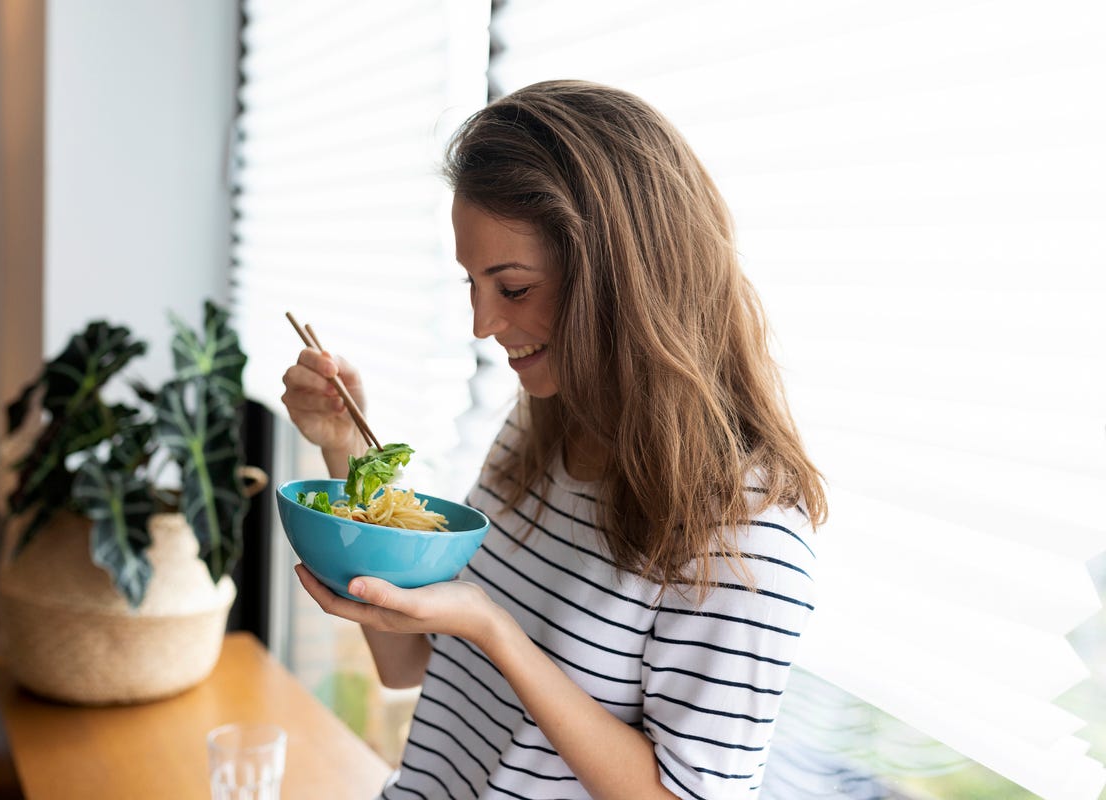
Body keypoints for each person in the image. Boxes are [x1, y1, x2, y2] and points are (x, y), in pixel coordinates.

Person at [281, 79, 827, 800]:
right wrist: (345, 446)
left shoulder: (746, 537)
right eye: (471, 284)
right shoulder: (539, 432)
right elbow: (407, 662)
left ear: (620, 279)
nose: (482, 324)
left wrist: (495, 631)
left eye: (510, 289)